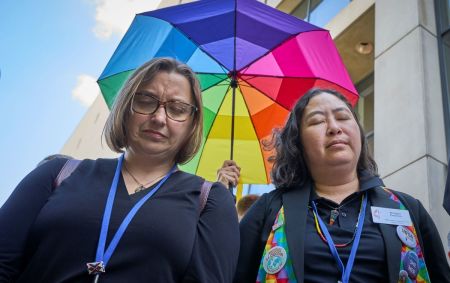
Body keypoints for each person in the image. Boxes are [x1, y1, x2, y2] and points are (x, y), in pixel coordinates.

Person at [0, 58, 239, 283]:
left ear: (191, 124)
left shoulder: (211, 202)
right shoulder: (58, 173)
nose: (158, 118)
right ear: (126, 108)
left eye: (176, 109)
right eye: (146, 100)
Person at [234, 88, 450, 283]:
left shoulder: (408, 208)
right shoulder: (267, 210)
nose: (334, 128)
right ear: (297, 142)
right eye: (317, 121)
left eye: (343, 117)